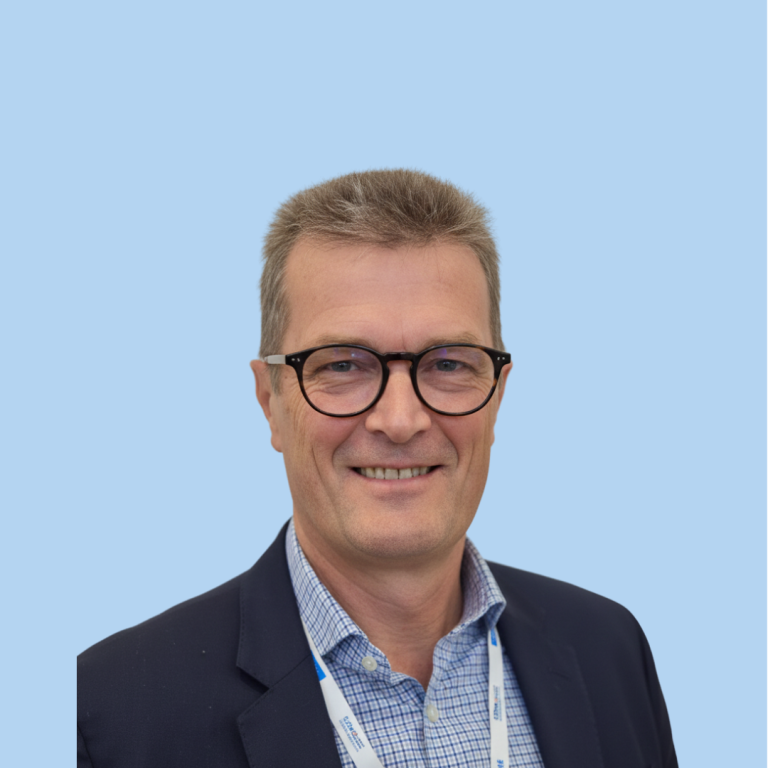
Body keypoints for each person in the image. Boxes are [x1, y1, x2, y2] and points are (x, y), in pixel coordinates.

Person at [77, 170, 678, 768]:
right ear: (270, 402)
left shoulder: (609, 650)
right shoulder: (108, 715)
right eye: (342, 365)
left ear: (497, 397)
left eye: (448, 364)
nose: (400, 420)